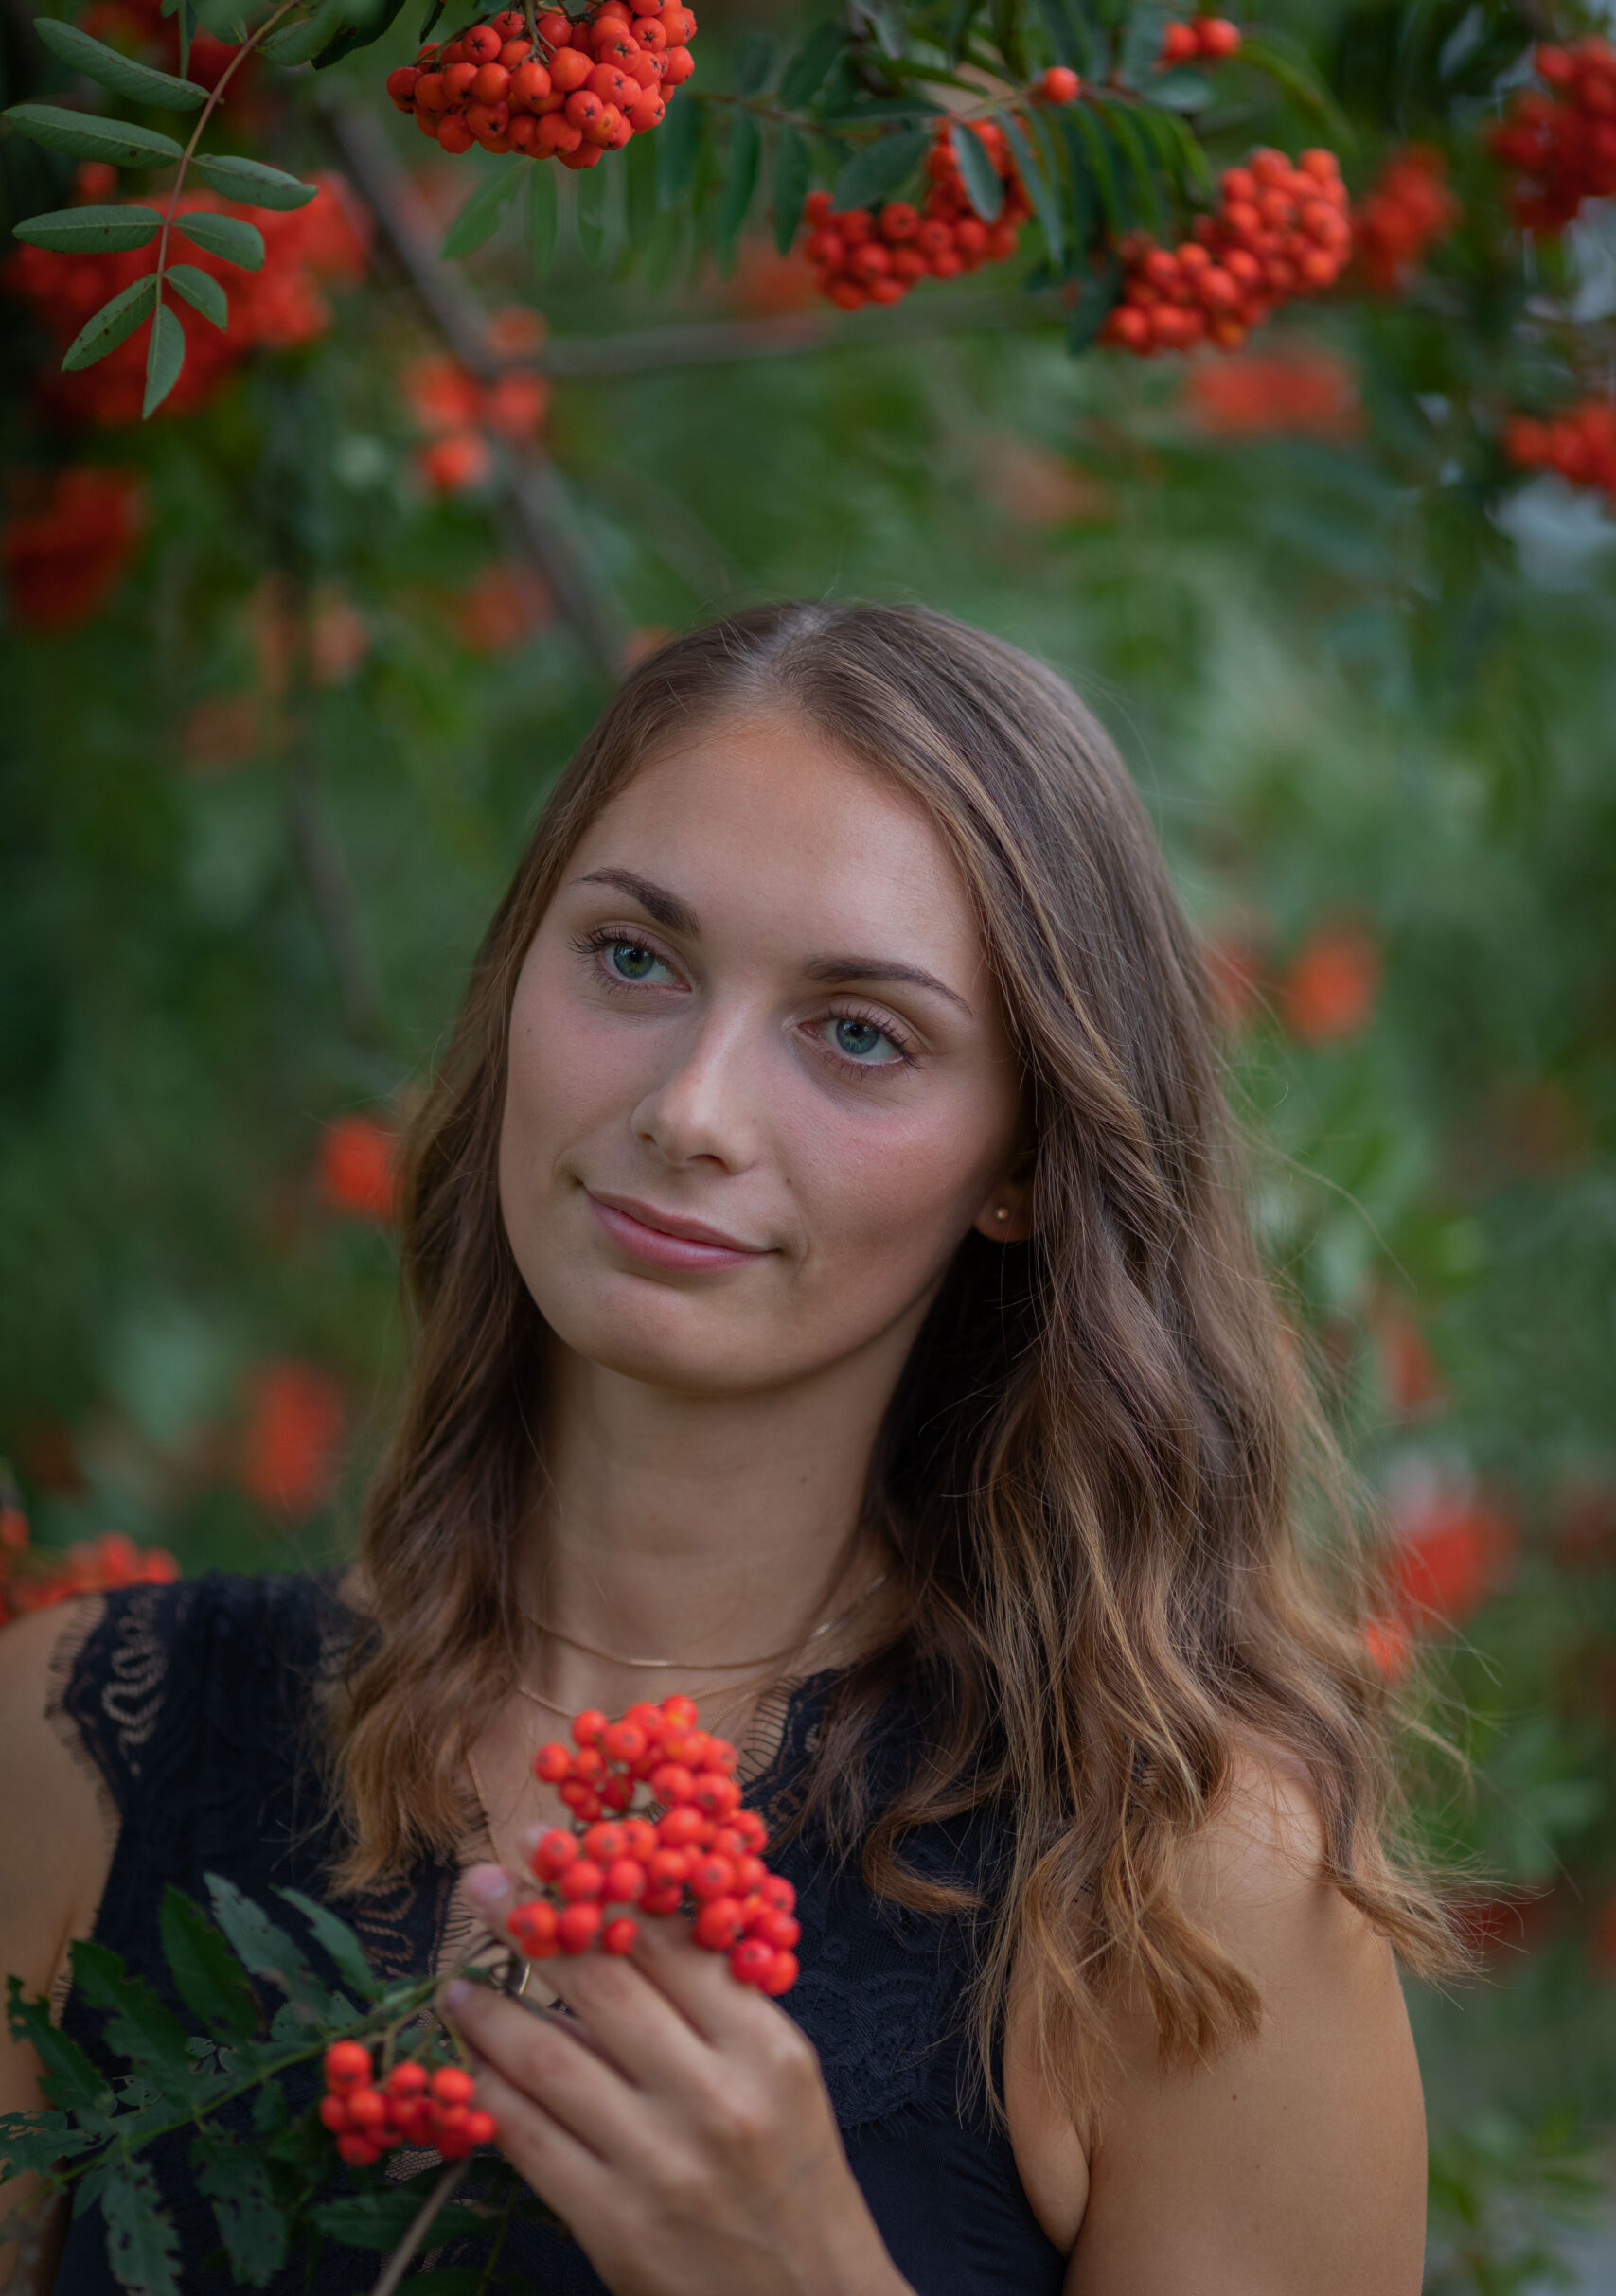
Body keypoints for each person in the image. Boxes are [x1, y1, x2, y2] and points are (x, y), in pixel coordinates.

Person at [1, 602, 1456, 2295]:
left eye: (858, 1033)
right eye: (634, 957)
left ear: (1023, 1168)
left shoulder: (1177, 1891)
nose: (689, 1110)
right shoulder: (78, 1748)